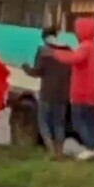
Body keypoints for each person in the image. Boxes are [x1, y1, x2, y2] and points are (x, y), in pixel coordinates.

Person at [52, 17, 94, 157]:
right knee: (90, 121)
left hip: (82, 93)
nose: (75, 33)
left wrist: (55, 53)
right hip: (92, 93)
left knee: (79, 122)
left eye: (77, 29)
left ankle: (90, 148)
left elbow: (73, 59)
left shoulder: (86, 47)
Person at [26, 25, 71, 156]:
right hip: (63, 93)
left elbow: (38, 71)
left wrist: (26, 68)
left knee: (43, 122)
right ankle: (60, 152)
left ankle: (51, 149)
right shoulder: (68, 50)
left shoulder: (43, 51)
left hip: (47, 92)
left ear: (45, 38)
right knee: (59, 123)